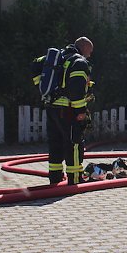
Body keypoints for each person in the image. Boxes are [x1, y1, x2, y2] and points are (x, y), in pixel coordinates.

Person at [32, 36, 94, 185]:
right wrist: (81, 111)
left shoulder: (57, 57)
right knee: (74, 143)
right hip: (68, 110)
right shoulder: (79, 62)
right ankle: (75, 178)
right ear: (84, 47)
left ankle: (55, 177)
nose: (90, 55)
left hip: (51, 107)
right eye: (90, 51)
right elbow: (76, 90)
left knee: (55, 142)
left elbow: (35, 65)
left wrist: (40, 86)